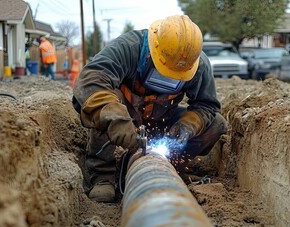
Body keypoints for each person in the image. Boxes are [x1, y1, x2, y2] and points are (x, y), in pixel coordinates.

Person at [72, 15, 227, 203]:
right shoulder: (128, 48)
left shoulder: (198, 65)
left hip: (162, 119)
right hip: (126, 117)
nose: (169, 81)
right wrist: (116, 118)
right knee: (105, 106)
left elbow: (207, 105)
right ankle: (103, 175)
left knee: (216, 124)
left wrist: (187, 126)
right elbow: (90, 81)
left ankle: (170, 164)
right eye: (165, 73)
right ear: (152, 54)